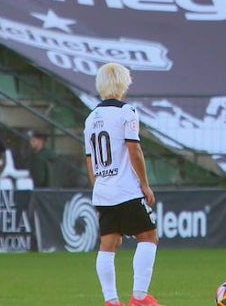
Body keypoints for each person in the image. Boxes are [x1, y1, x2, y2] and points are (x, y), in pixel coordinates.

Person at [84, 62, 161, 306]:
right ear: (123, 84)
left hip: (104, 190)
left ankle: (111, 301)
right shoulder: (126, 112)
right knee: (148, 236)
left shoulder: (91, 117)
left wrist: (98, 185)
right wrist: (145, 185)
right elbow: (134, 149)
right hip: (126, 188)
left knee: (109, 243)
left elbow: (89, 159)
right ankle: (139, 297)